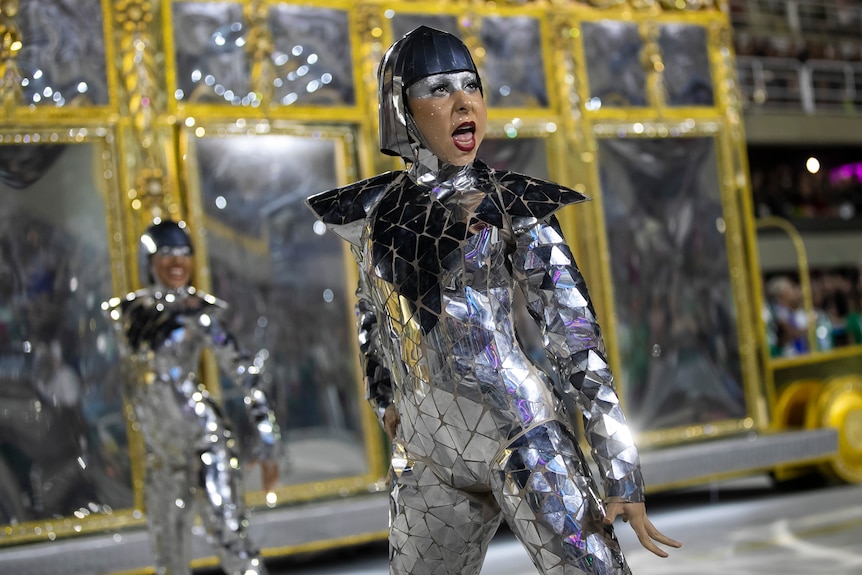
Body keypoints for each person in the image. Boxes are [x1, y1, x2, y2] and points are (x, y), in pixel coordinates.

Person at [307, 26, 680, 575]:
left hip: (519, 433)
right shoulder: (370, 215)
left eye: (471, 86)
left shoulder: (512, 206)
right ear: (402, 109)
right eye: (438, 89)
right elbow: (372, 312)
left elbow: (575, 337)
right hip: (427, 459)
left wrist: (619, 469)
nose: (463, 103)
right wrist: (385, 395)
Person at [102, 220, 279, 575]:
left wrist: (267, 436)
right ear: (150, 261)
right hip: (162, 453)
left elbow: (243, 371)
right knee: (167, 548)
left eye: (184, 254)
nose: (177, 262)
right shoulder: (127, 314)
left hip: (204, 442)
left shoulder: (199, 313)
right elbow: (126, 380)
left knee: (228, 535)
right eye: (167, 254)